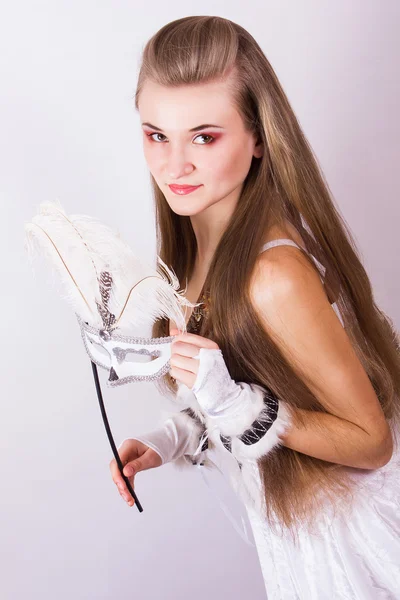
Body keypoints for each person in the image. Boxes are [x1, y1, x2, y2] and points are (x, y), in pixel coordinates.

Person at [109, 16, 400, 599]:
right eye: (156, 135)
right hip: (294, 531)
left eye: (205, 136)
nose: (174, 165)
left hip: (349, 537)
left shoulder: (273, 275)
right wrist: (175, 436)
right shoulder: (197, 246)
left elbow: (372, 441)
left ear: (260, 135)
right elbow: (254, 382)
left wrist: (237, 405)